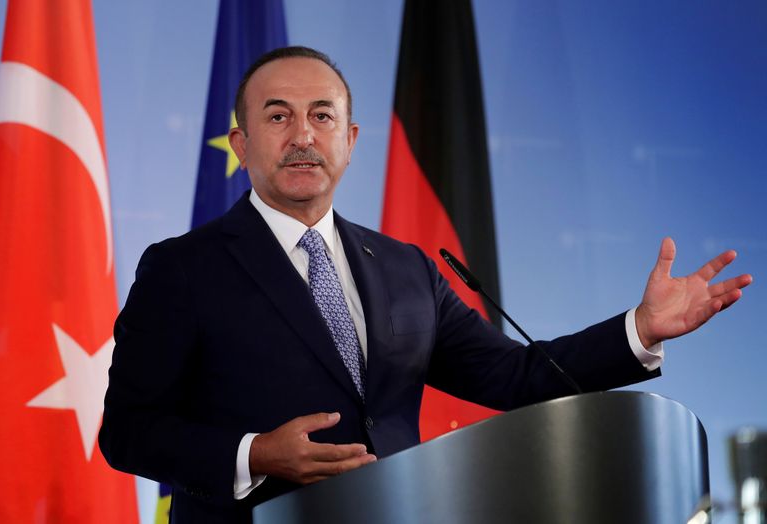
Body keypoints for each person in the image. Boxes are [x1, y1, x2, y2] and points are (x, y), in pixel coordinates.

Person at [99, 46, 752, 523]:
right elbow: (128, 431)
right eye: (278, 117)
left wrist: (638, 330)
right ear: (240, 143)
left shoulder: (404, 266)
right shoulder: (183, 268)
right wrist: (254, 454)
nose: (303, 135)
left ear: (350, 140)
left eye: (322, 117)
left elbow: (517, 377)